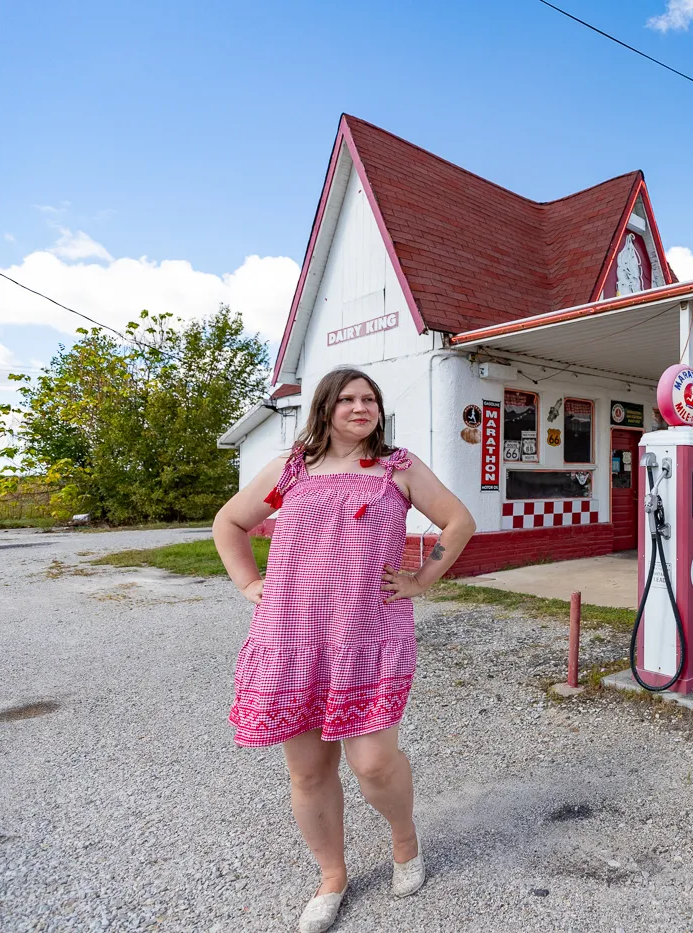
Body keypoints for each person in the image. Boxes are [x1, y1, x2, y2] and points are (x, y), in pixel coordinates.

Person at [213, 368, 476, 932]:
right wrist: (250, 586)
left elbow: (458, 521)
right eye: (350, 400)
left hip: (367, 634)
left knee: (374, 762)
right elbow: (230, 522)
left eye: (371, 400)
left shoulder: (395, 466)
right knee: (308, 771)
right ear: (326, 407)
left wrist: (421, 580)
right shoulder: (292, 468)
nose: (362, 408)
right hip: (292, 637)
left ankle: (405, 844)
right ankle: (332, 876)